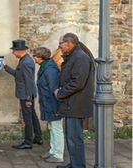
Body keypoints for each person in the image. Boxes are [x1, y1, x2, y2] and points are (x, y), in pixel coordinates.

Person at [54, 33, 94, 168]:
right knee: (71, 138)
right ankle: (74, 164)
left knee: (75, 139)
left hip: (77, 105)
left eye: (60, 43)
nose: (59, 46)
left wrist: (60, 93)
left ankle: (78, 166)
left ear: (68, 43)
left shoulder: (80, 57)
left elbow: (78, 82)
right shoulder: (74, 57)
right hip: (72, 104)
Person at [2, 39, 43, 150]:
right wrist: (6, 66)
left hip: (26, 95)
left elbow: (29, 81)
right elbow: (17, 74)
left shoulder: (25, 62)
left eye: (14, 50)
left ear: (19, 51)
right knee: (32, 114)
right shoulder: (25, 60)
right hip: (27, 93)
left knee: (27, 118)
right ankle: (38, 138)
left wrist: (28, 98)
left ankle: (28, 142)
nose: (12, 53)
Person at [33, 47, 64, 163]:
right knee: (52, 127)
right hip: (48, 103)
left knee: (56, 128)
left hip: (53, 103)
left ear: (40, 57)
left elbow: (54, 89)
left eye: (35, 56)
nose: (34, 58)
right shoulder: (44, 67)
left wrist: (57, 108)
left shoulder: (50, 70)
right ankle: (53, 151)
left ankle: (58, 154)